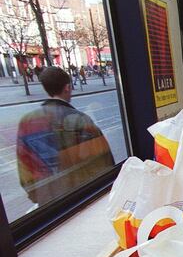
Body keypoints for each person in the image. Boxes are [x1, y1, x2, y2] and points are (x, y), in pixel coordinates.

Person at [16, 66, 115, 206]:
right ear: (67, 87)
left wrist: (38, 195)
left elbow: (25, 168)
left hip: (48, 200)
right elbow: (104, 163)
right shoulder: (80, 120)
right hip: (83, 197)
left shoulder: (27, 121)